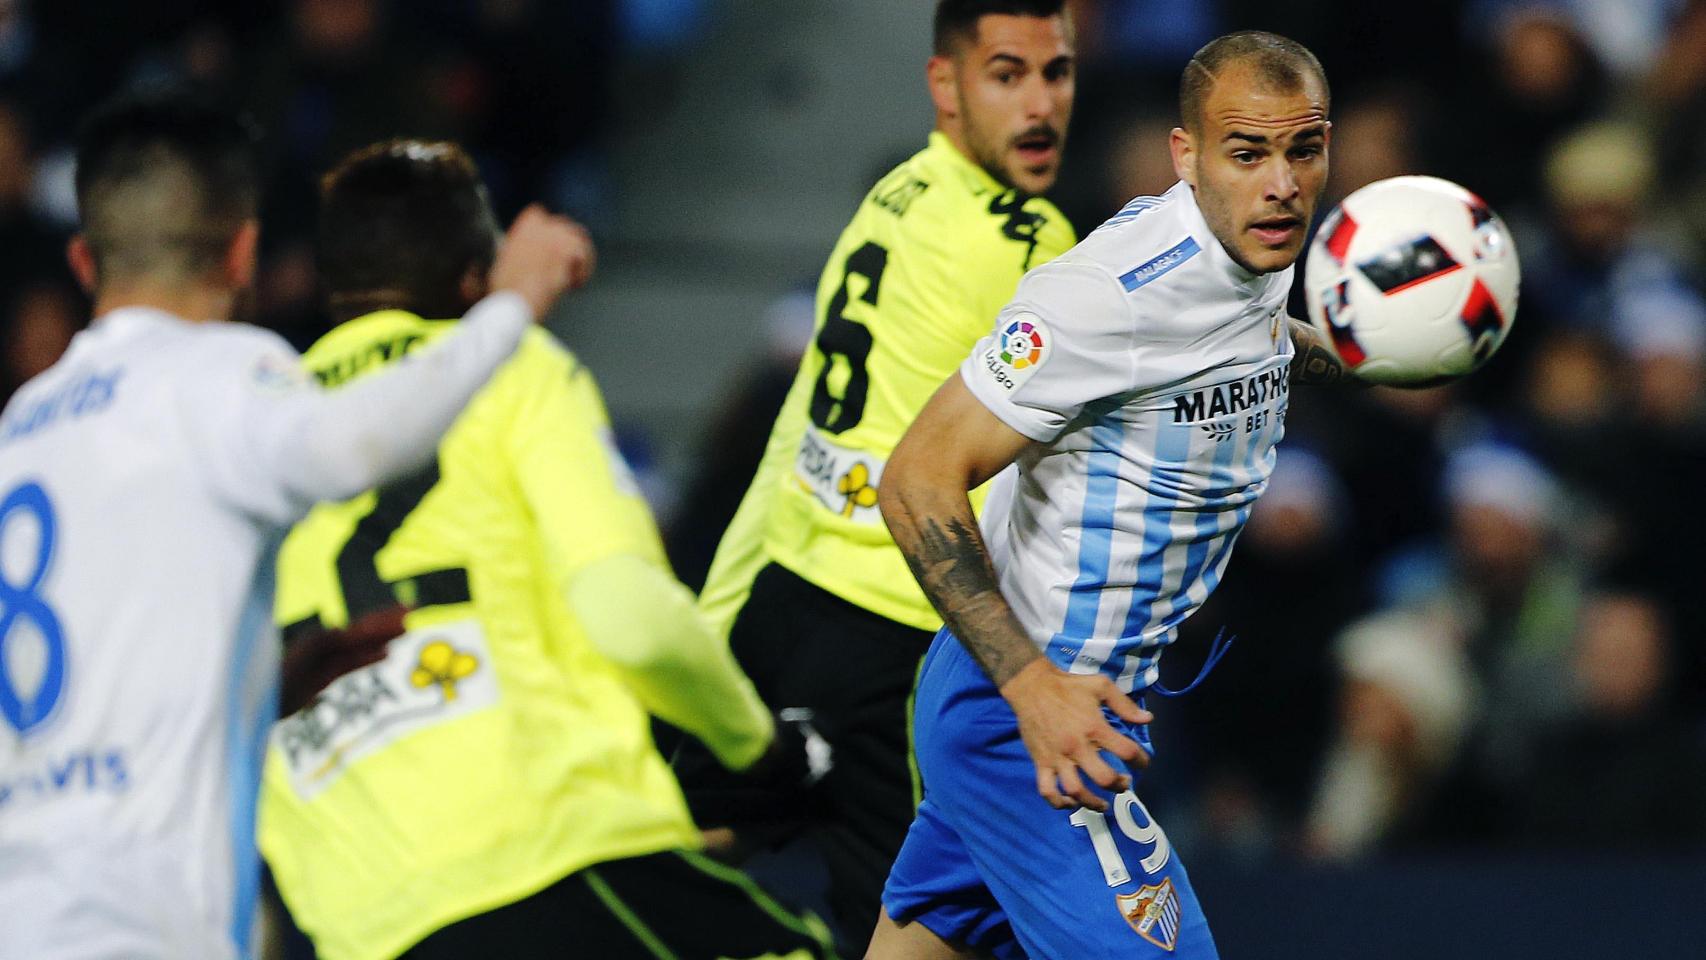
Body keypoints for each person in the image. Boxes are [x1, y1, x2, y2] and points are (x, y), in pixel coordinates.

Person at [0, 91, 591, 960]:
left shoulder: (22, 428)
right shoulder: (215, 375)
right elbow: (352, 445)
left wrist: (253, 688)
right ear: (242, 251)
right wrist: (510, 304)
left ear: (85, 261)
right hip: (145, 920)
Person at [257, 139, 837, 960]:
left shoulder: (259, 438)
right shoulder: (514, 375)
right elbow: (627, 612)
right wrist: (761, 749)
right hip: (551, 854)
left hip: (362, 925)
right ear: (476, 282)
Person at [870, 31, 1344, 958]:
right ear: (1187, 157)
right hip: (1030, 707)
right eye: (1247, 153)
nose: (1281, 182)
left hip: (1066, 698)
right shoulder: (1103, 296)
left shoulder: (1257, 248)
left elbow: (1246, 338)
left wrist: (1357, 349)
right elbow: (914, 478)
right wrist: (1031, 689)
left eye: (1305, 148)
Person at [672, 1, 1077, 949]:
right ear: (946, 86)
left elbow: (795, 430)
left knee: (673, 875)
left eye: (1055, 73)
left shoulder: (891, 196)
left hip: (782, 606)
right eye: (1006, 74)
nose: (1039, 105)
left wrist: (718, 615)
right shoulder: (1033, 241)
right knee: (905, 939)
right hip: (898, 643)